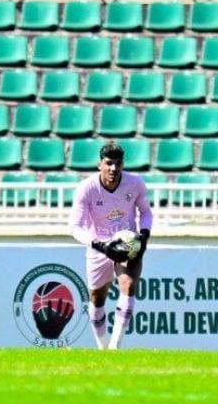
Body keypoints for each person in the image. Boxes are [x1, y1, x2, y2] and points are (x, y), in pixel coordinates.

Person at [69, 143, 152, 350]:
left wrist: (143, 236)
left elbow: (146, 212)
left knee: (129, 285)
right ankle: (102, 346)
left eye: (118, 163)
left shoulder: (135, 184)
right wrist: (101, 245)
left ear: (123, 165)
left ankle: (114, 347)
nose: (114, 168)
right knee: (97, 299)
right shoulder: (86, 188)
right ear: (100, 165)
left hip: (128, 243)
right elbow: (74, 227)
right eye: (109, 163)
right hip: (99, 245)